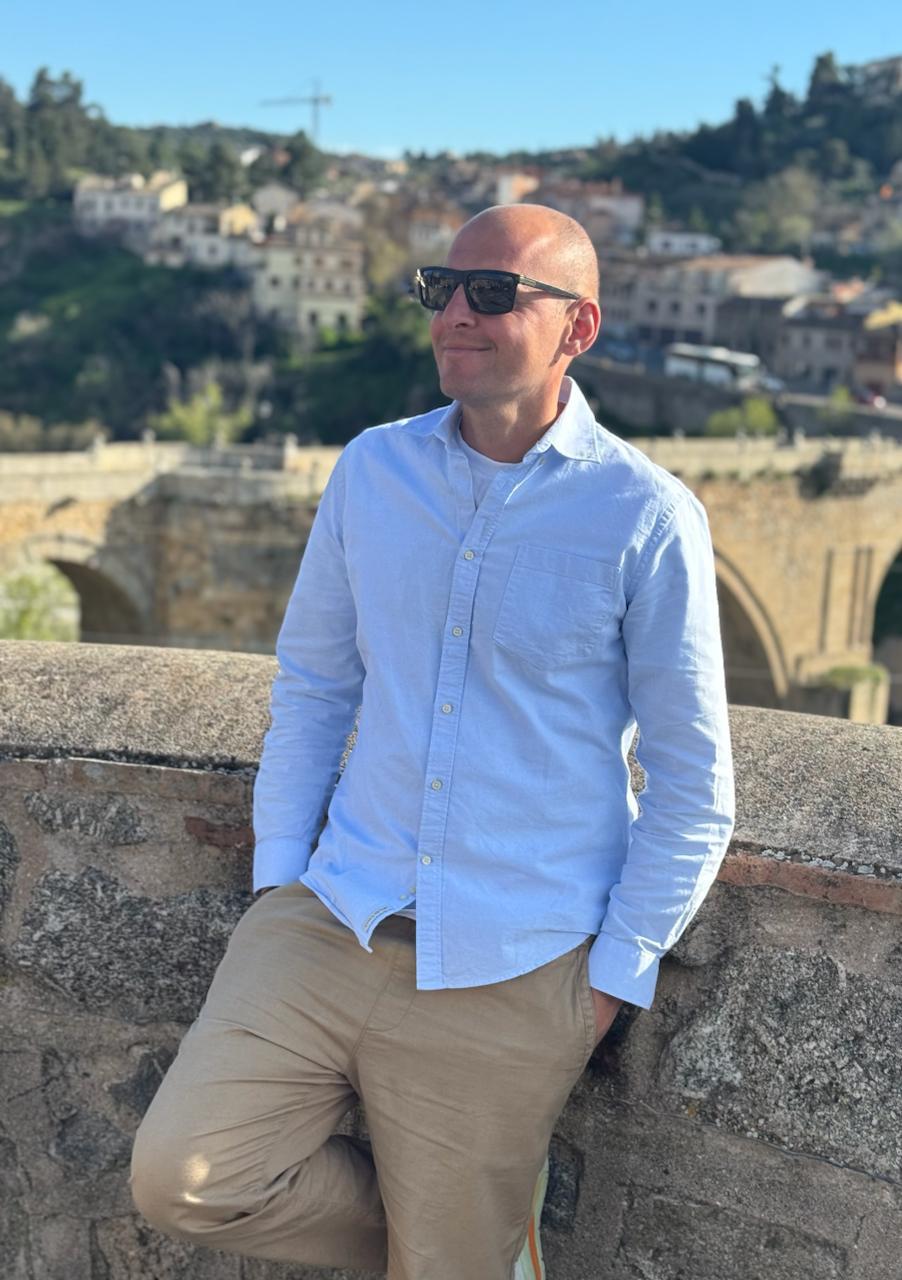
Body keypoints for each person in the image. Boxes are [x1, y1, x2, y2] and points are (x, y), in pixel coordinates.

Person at [130, 203, 735, 1280]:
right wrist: (278, 883)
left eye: (493, 293)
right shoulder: (372, 471)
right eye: (440, 288)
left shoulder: (644, 515)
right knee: (183, 1178)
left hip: (515, 964)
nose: (456, 312)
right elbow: (315, 688)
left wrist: (608, 981)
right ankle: (470, 1246)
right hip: (331, 918)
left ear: (578, 327)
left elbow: (694, 784)